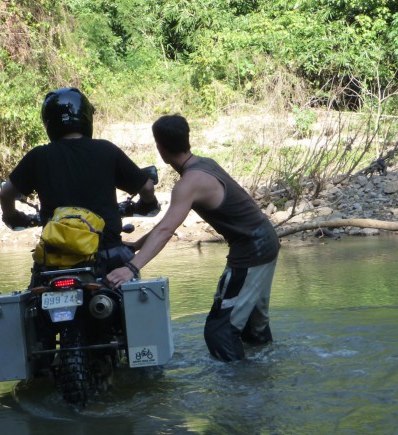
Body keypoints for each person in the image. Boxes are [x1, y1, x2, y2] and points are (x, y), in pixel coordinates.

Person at [106, 114, 280, 362]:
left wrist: (131, 268)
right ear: (187, 139)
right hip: (264, 240)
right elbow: (166, 224)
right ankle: (267, 374)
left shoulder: (189, 183)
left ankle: (240, 394)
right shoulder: (204, 164)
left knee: (219, 331)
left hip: (252, 250)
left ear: (160, 147)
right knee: (253, 324)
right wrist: (136, 245)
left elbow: (166, 231)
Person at [0, 87, 158, 271]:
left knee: (36, 291)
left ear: (48, 122)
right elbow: (147, 188)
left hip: (56, 261)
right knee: (129, 285)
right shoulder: (106, 150)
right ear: (86, 117)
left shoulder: (38, 156)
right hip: (106, 253)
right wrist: (146, 204)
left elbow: (6, 194)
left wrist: (12, 216)